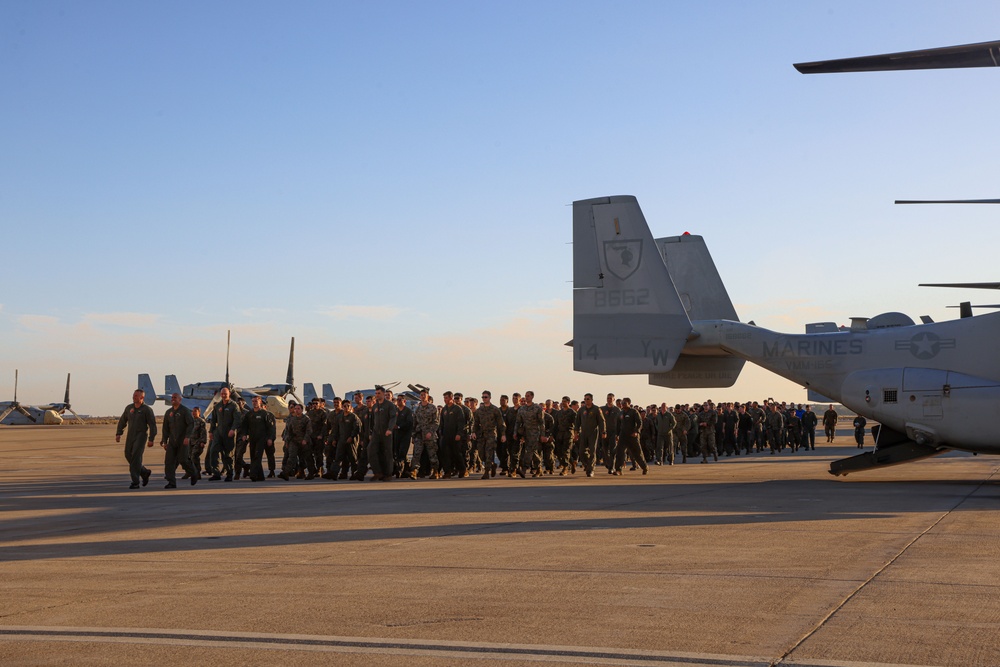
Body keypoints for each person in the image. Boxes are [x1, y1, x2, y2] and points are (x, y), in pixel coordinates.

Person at [116, 389, 157, 489]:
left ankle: (135, 482)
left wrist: (151, 439)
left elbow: (152, 425)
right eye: (133, 395)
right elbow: (122, 421)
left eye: (136, 396)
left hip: (141, 435)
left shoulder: (147, 409)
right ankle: (144, 472)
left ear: (142, 398)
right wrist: (119, 433)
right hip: (131, 435)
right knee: (127, 454)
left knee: (135, 457)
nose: (134, 397)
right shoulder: (129, 408)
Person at [160, 392, 198, 488]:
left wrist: (187, 437)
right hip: (172, 441)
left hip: (183, 440)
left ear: (180, 399)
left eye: (175, 397)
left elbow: (191, 424)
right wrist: (164, 441)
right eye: (172, 397)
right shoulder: (169, 413)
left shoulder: (185, 411)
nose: (173, 399)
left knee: (183, 460)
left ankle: (193, 473)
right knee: (169, 461)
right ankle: (171, 482)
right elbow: (165, 428)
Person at [207, 387, 242, 481]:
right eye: (222, 394)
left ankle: (229, 474)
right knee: (213, 451)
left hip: (228, 433)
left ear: (229, 394)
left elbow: (237, 419)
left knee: (227, 455)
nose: (223, 395)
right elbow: (213, 420)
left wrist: (233, 429)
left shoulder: (234, 406)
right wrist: (211, 431)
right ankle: (216, 473)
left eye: (225, 394)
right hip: (218, 433)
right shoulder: (218, 406)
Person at [239, 396, 276, 481]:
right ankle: (260, 476)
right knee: (253, 456)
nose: (254, 403)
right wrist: (244, 434)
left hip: (262, 439)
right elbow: (244, 426)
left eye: (256, 401)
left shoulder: (264, 414)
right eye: (253, 401)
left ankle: (253, 474)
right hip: (252, 439)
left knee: (257, 456)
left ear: (260, 402)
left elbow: (270, 428)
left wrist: (270, 438)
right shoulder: (249, 414)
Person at [472, 390, 505, 479]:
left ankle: (486, 472)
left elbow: (501, 423)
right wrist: (474, 432)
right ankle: (492, 464)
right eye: (483, 397)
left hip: (491, 433)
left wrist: (503, 434)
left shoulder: (495, 409)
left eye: (485, 397)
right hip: (481, 434)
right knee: (481, 454)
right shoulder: (479, 410)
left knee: (489, 452)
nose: (484, 399)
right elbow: (475, 423)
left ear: (490, 398)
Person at [367, 386, 397, 481]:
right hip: (376, 432)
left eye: (378, 393)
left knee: (387, 453)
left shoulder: (389, 405)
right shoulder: (375, 406)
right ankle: (378, 472)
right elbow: (373, 420)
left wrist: (390, 429)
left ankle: (388, 474)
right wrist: (371, 432)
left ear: (384, 394)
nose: (377, 395)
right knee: (370, 450)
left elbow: (393, 417)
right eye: (376, 393)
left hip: (386, 432)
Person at [409, 390, 440, 479]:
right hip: (419, 434)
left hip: (429, 435)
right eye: (421, 395)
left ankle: (435, 471)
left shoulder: (433, 408)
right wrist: (413, 435)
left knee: (432, 454)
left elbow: (436, 422)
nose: (422, 396)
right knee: (416, 454)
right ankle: (414, 471)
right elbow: (414, 422)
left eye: (424, 395)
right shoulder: (417, 409)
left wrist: (431, 432)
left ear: (428, 396)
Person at [278, 402, 314, 480]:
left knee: (307, 458)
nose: (296, 410)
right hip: (294, 441)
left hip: (304, 442)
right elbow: (289, 431)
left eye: (298, 409)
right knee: (291, 457)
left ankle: (311, 473)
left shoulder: (306, 419)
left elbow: (309, 431)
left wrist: (305, 439)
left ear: (302, 410)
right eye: (295, 409)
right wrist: (287, 442)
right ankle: (286, 473)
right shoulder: (292, 419)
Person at [574, 393, 606, 478]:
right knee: (581, 451)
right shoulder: (581, 410)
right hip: (583, 433)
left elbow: (601, 421)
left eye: (588, 399)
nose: (586, 400)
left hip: (593, 432)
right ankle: (587, 465)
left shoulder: (596, 409)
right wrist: (576, 433)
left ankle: (590, 469)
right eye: (585, 399)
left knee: (592, 451)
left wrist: (603, 432)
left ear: (591, 400)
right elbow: (577, 422)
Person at [515, 391, 545, 478]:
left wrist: (543, 435)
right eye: (525, 396)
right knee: (533, 452)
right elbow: (518, 422)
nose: (526, 397)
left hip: (535, 433)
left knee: (529, 450)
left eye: (528, 396)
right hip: (526, 433)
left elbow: (541, 422)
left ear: (532, 397)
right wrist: (515, 433)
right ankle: (539, 468)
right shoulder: (522, 409)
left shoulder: (537, 408)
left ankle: (524, 469)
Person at [616, 398, 648, 475]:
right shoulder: (620, 413)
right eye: (622, 403)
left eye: (624, 403)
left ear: (629, 403)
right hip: (623, 436)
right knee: (620, 453)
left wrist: (637, 431)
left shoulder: (634, 412)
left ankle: (644, 467)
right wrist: (616, 435)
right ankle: (618, 469)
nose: (622, 404)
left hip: (632, 436)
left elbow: (639, 423)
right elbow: (618, 425)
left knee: (637, 453)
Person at [393, 395, 413, 478]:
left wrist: (399, 426)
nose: (398, 401)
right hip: (396, 435)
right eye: (397, 400)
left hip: (405, 435)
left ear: (404, 401)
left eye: (400, 400)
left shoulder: (408, 411)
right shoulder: (395, 411)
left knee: (402, 453)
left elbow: (409, 422)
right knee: (397, 453)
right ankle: (404, 470)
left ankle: (400, 470)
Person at [187, 406, 208, 478]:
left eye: (195, 411)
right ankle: (189, 472)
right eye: (193, 411)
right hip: (190, 442)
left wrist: (203, 441)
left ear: (199, 412)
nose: (194, 413)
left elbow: (203, 432)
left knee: (194, 456)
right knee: (188, 457)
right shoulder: (190, 421)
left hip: (198, 442)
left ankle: (197, 472)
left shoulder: (201, 421)